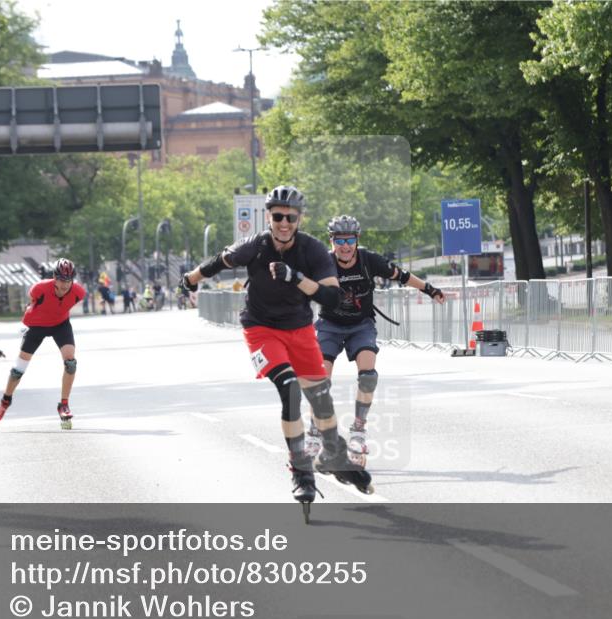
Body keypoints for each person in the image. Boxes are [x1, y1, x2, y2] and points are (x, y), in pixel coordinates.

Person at [181, 185, 373, 519]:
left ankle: (334, 455)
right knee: (289, 390)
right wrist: (191, 278)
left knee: (321, 403)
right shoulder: (255, 245)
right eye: (277, 216)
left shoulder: (312, 250)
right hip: (261, 329)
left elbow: (331, 298)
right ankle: (301, 471)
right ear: (268, 216)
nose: (284, 223)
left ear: (299, 219)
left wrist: (296, 278)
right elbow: (219, 262)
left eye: (290, 217)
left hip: (299, 331)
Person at [306, 216, 445, 463]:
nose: (345, 246)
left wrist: (429, 289)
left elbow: (401, 275)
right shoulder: (322, 264)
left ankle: (358, 430)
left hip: (361, 325)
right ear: (332, 241)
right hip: (330, 325)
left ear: (357, 240)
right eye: (340, 241)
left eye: (350, 240)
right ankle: (315, 429)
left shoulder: (369, 260)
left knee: (368, 375)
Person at [0, 258, 86, 431]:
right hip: (37, 325)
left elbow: (62, 306)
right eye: (62, 280)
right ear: (54, 278)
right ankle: (5, 401)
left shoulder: (78, 292)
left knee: (70, 362)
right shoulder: (39, 289)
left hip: (60, 325)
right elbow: (32, 303)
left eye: (69, 280)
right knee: (19, 369)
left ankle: (63, 404)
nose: (65, 284)